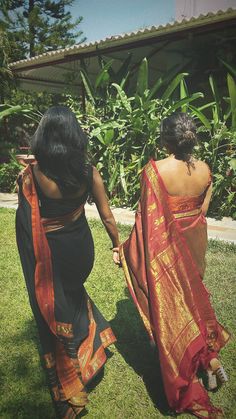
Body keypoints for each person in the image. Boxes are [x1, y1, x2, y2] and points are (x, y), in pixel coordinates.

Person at [120, 112, 230, 418]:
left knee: (171, 311)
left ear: (165, 139)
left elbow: (145, 220)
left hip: (168, 252)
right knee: (193, 306)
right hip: (195, 244)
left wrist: (126, 250)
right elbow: (202, 210)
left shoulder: (154, 171)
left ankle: (186, 371)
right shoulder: (206, 170)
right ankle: (209, 359)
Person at [16, 106, 120, 418]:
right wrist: (117, 246)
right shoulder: (88, 170)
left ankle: (70, 377)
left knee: (52, 306)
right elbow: (108, 217)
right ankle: (87, 344)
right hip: (81, 251)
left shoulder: (33, 176)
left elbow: (24, 226)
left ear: (44, 136)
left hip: (52, 257)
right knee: (71, 295)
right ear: (75, 134)